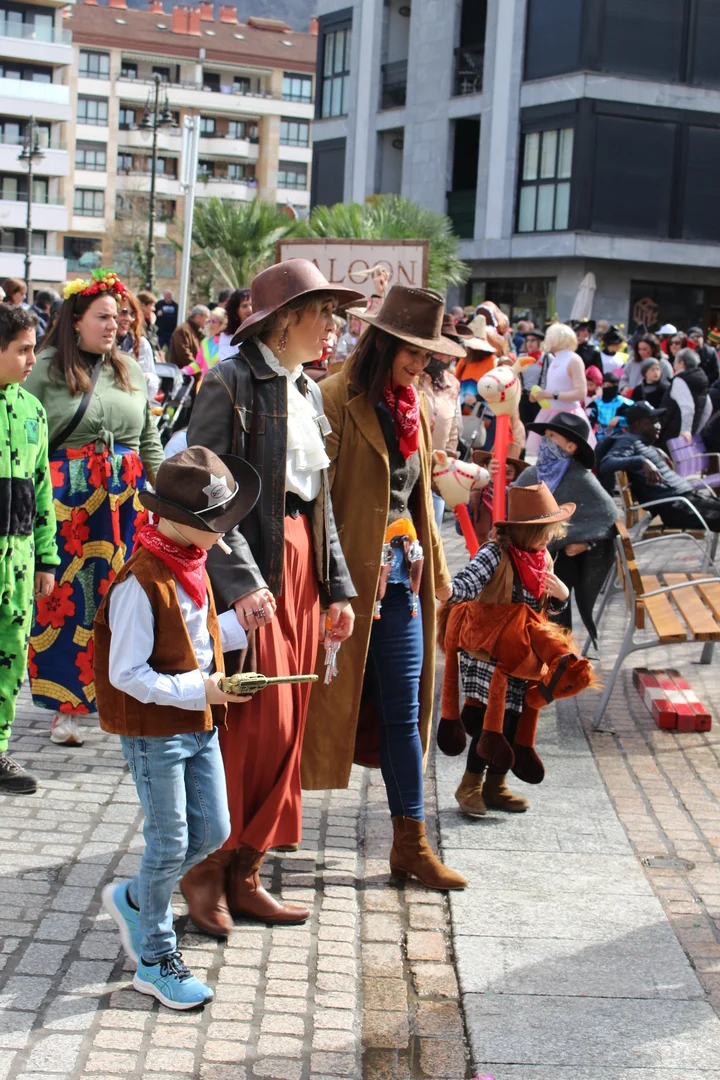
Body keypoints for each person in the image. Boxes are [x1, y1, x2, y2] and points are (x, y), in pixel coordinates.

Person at [184, 259, 359, 933]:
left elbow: (320, 502)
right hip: (253, 567)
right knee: (252, 724)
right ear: (286, 320)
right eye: (324, 314)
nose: (332, 327)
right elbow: (204, 492)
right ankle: (206, 870)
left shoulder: (307, 389)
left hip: (301, 566)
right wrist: (240, 582)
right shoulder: (228, 381)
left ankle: (248, 871)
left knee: (289, 724)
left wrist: (337, 586)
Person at [304, 285, 467, 892]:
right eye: (413, 352)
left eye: (428, 355)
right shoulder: (331, 397)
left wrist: (440, 575)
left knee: (406, 710)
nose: (421, 365)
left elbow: (419, 500)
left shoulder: (412, 404)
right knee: (305, 709)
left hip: (402, 581)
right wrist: (331, 584)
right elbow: (315, 503)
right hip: (338, 588)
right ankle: (254, 842)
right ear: (383, 342)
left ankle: (411, 843)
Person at [96, 447, 261, 1009]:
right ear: (179, 519)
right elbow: (126, 673)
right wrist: (203, 690)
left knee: (212, 831)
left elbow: (194, 637)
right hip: (154, 732)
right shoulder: (139, 581)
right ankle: (155, 960)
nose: (224, 533)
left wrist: (238, 626)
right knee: (168, 841)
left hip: (198, 722)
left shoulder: (191, 561)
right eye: (216, 523)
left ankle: (137, 897)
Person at [24, 269, 164, 747]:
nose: (114, 325)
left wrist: (167, 496)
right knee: (67, 602)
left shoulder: (130, 370)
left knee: (125, 602)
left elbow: (148, 441)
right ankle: (66, 706)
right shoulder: (45, 369)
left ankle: (120, 696)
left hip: (127, 505)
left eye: (118, 316)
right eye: (103, 317)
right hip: (69, 507)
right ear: (76, 320)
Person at [447, 483, 571, 818]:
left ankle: (495, 786)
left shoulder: (542, 557)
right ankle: (469, 785)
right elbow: (467, 583)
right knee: (492, 722)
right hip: (490, 651)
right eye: (545, 531)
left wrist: (561, 597)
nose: (550, 538)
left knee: (513, 721)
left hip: (523, 655)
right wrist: (447, 589)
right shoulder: (495, 552)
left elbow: (543, 610)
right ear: (524, 530)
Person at [0, 305, 59, 794]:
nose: (32, 359)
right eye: (22, 350)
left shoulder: (33, 410)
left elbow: (42, 489)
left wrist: (47, 558)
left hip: (18, 561)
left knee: (11, 658)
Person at [516, 413, 617, 645]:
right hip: (527, 558)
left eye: (552, 436)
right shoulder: (532, 474)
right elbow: (513, 503)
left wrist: (586, 542)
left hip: (561, 562)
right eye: (545, 436)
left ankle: (559, 651)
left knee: (557, 611)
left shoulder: (580, 478)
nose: (545, 441)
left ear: (571, 447)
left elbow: (608, 515)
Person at [596, 401, 720, 531]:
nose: (659, 425)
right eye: (653, 421)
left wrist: (656, 452)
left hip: (686, 500)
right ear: (638, 424)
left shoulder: (641, 442)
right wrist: (642, 461)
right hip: (676, 507)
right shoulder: (627, 441)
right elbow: (607, 462)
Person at [419, 316, 462, 529]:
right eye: (442, 349)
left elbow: (452, 426)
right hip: (412, 467)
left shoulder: (452, 383)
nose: (446, 357)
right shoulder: (413, 377)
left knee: (433, 532)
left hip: (437, 473)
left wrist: (450, 457)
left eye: (450, 351)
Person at [526, 323, 588, 456]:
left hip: (568, 417)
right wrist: (539, 396)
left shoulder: (573, 359)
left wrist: (551, 395)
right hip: (550, 414)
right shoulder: (555, 360)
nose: (546, 340)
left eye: (549, 336)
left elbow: (581, 393)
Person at [116, 290, 159, 401]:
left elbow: (150, 383)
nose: (128, 319)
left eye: (132, 314)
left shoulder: (140, 344)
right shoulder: (93, 343)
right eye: (123, 312)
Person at [664, 347, 711, 442]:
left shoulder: (680, 380)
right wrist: (696, 431)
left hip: (674, 434)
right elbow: (708, 408)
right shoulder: (700, 380)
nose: (673, 364)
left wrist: (685, 431)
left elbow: (687, 407)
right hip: (691, 433)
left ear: (682, 363)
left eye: (675, 361)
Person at [183, 306, 228, 383]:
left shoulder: (229, 342)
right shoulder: (206, 341)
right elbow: (198, 363)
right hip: (207, 385)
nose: (210, 324)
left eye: (214, 321)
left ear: (223, 323)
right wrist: (184, 371)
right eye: (209, 321)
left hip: (224, 385)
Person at [587, 372, 629, 440]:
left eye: (609, 385)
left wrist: (619, 419)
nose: (606, 388)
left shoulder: (624, 403)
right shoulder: (597, 403)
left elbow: (631, 420)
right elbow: (591, 421)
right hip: (599, 437)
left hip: (618, 437)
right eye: (604, 385)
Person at [168, 305, 209, 371]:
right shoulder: (183, 330)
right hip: (183, 373)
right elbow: (184, 355)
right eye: (206, 317)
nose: (208, 320)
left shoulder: (196, 331)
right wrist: (197, 369)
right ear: (198, 317)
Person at [219, 288, 252, 362]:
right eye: (244, 306)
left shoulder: (266, 332)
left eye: (252, 304)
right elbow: (228, 363)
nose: (250, 309)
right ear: (235, 311)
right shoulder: (227, 337)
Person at [136, 291, 160, 355]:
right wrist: (152, 325)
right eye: (152, 305)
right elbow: (149, 343)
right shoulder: (138, 322)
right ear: (143, 305)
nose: (154, 309)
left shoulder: (146, 320)